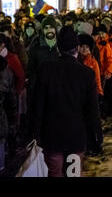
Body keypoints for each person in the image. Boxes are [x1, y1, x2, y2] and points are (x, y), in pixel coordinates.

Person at [30, 26, 101, 177]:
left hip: (52, 136)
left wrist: (35, 132)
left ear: (58, 48)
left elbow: (37, 104)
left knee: (55, 172)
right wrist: (95, 136)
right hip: (76, 137)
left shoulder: (46, 69)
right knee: (73, 174)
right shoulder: (87, 74)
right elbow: (92, 110)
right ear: (77, 48)